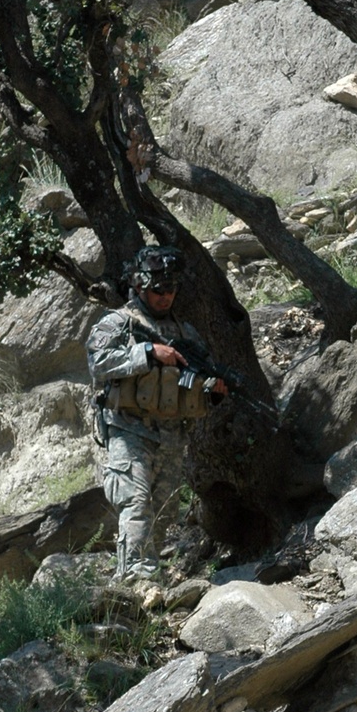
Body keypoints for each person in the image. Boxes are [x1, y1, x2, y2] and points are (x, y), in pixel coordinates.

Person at [86, 244, 226, 580]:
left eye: (171, 290)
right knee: (135, 502)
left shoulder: (185, 333)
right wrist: (147, 352)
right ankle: (136, 579)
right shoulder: (119, 324)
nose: (166, 297)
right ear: (139, 287)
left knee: (163, 514)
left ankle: (152, 578)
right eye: (158, 291)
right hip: (130, 429)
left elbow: (192, 386)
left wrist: (213, 392)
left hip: (172, 437)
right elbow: (98, 365)